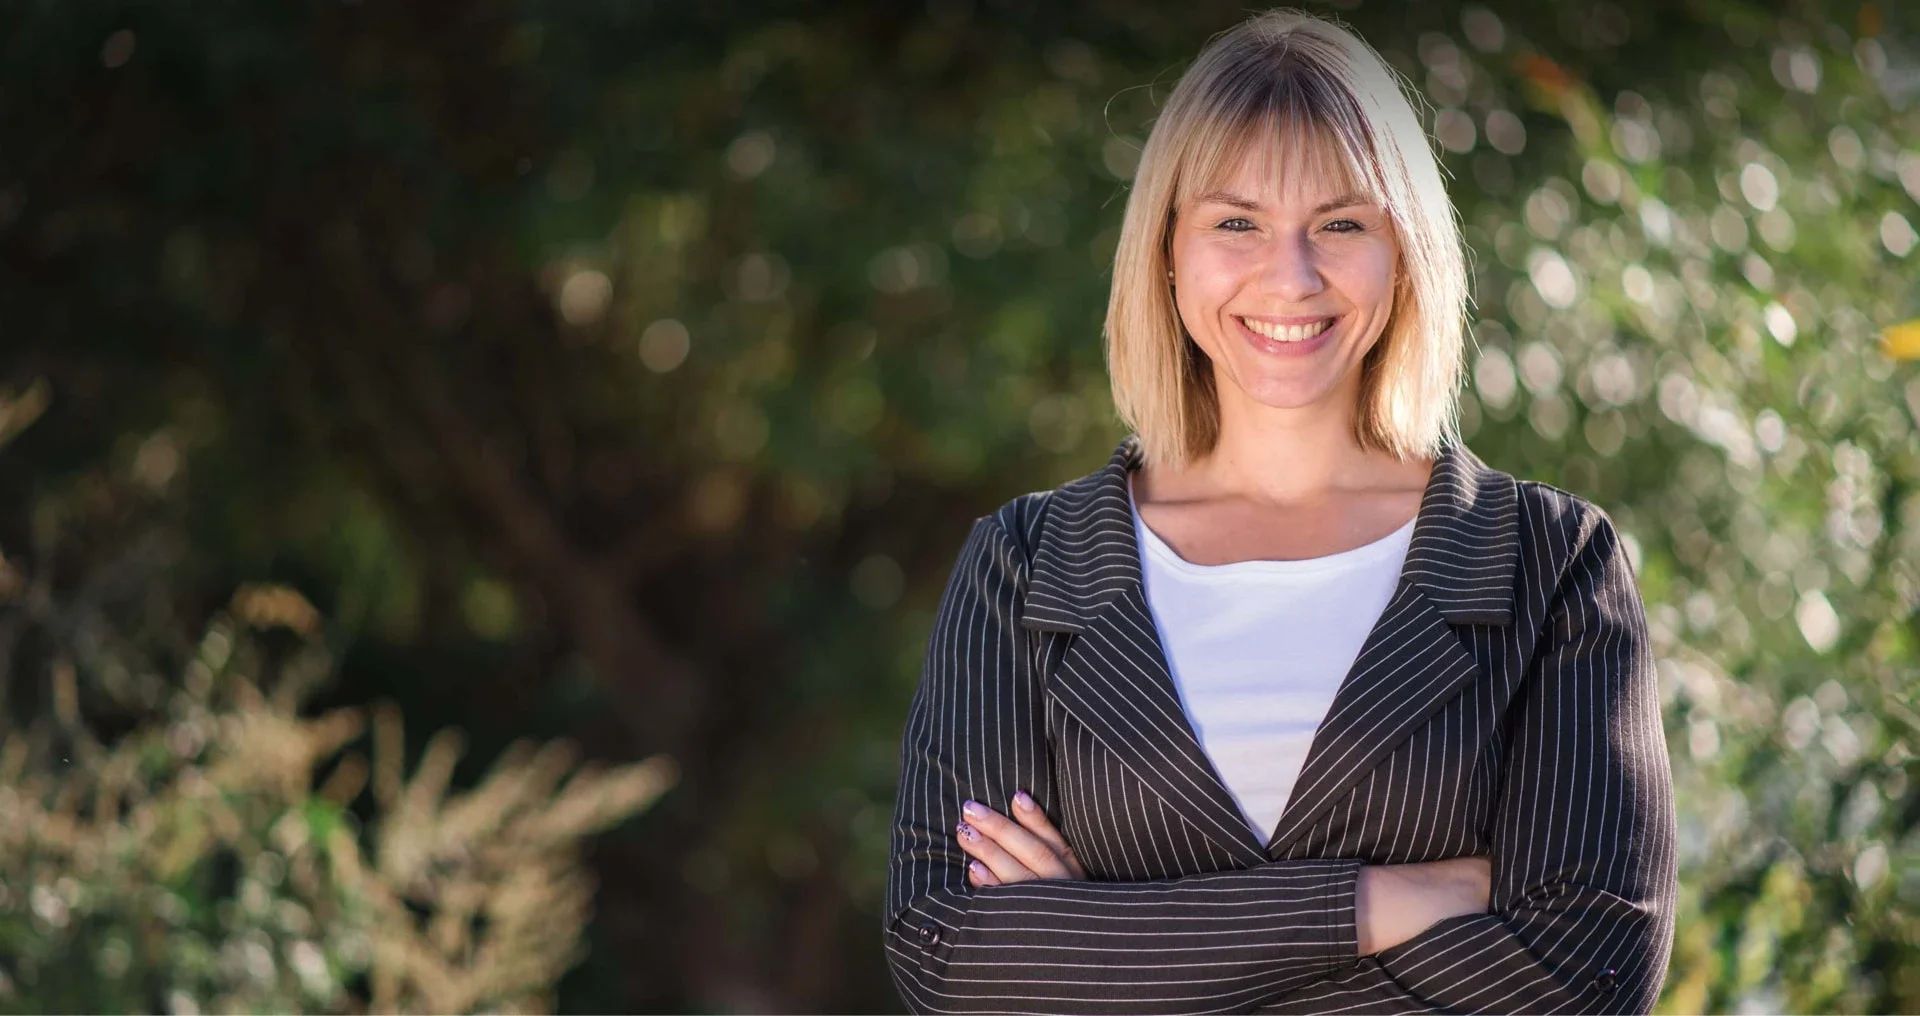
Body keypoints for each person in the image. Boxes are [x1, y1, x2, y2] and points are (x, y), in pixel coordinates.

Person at [883, 7, 1676, 1015]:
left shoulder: (1549, 561)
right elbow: (951, 957)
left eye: (1341, 223)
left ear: (1405, 250)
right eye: (1237, 222)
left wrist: (1105, 944)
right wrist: (1376, 901)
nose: (1290, 276)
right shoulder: (1031, 564)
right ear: (1169, 248)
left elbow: (1586, 980)